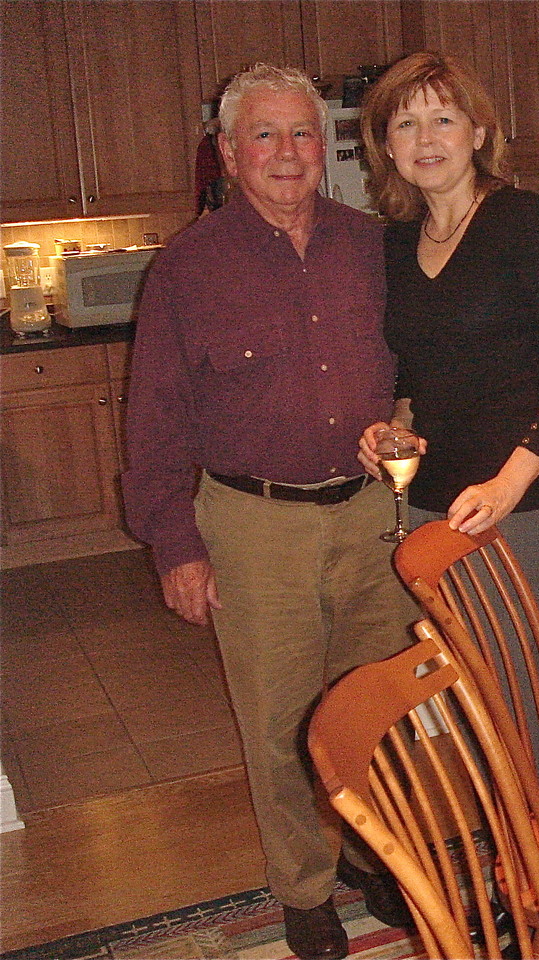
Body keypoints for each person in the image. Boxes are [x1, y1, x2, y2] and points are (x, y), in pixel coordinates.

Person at [122, 64, 419, 960]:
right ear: (228, 150)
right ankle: (303, 888)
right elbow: (154, 419)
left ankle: (375, 856)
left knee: (375, 709)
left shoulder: (377, 246)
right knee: (282, 719)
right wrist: (176, 545)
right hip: (254, 525)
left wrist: (404, 429)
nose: (287, 154)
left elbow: (420, 372)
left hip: (371, 518)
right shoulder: (186, 268)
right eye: (265, 135)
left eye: (303, 135)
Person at [357, 53, 539, 680]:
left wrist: (506, 486)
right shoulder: (395, 240)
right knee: (457, 682)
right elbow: (416, 374)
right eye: (406, 124)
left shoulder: (522, 222)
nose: (427, 139)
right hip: (429, 502)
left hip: (524, 505)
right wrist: (394, 427)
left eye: (444, 118)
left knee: (523, 683)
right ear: (386, 145)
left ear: (480, 132)